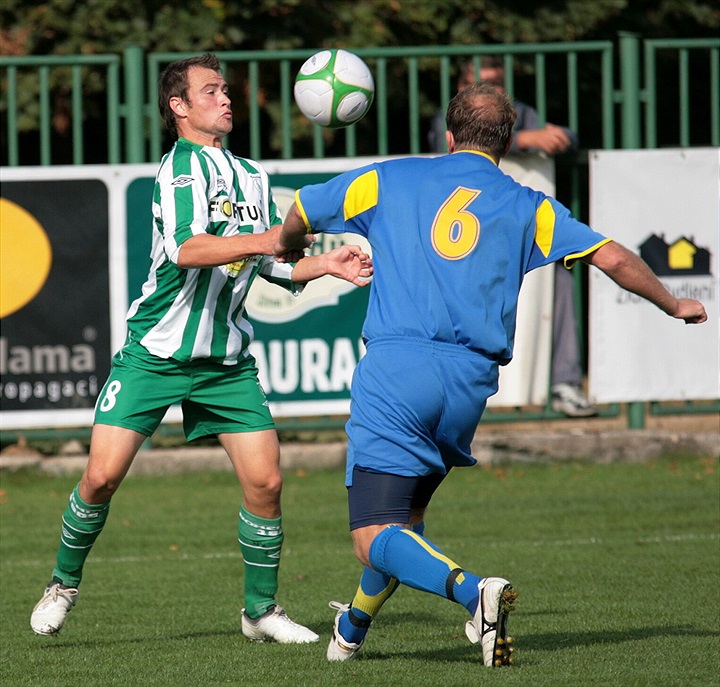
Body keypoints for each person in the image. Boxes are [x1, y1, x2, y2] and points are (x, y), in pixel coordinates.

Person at [274, 81, 707, 666]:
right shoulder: (529, 205)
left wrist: (289, 245)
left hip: (400, 371)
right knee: (407, 521)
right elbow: (615, 257)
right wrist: (674, 304)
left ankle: (474, 593)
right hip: (469, 384)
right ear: (505, 143)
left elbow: (299, 212)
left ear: (448, 136)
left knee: (373, 534)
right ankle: (351, 630)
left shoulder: (388, 178)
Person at [29, 53, 373, 643]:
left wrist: (324, 265)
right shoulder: (177, 170)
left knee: (266, 483)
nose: (225, 98)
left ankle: (260, 612)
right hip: (155, 354)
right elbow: (190, 249)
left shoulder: (253, 177)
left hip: (226, 365)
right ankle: (62, 584)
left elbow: (269, 266)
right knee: (101, 479)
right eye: (210, 91)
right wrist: (271, 238)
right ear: (179, 107)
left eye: (225, 89)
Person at [429, 57, 596, 417]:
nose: (489, 91)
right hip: (459, 238)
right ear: (462, 87)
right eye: (480, 83)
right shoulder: (451, 118)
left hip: (513, 229)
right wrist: (525, 139)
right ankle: (453, 389)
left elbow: (570, 140)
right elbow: (435, 140)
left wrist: (560, 137)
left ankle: (563, 383)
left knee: (559, 279)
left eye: (496, 84)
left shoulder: (523, 112)